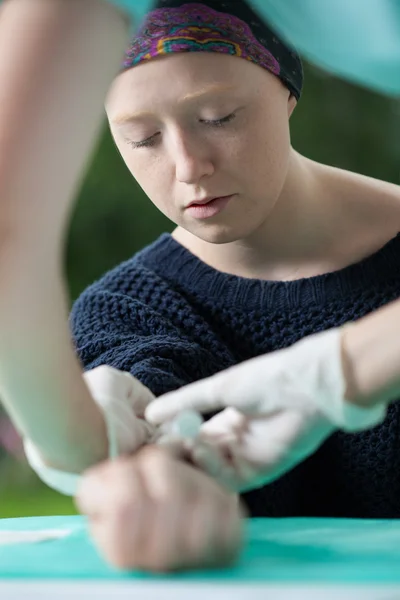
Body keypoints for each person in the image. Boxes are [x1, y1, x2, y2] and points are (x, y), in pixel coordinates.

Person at [1, 0, 400, 573]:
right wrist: (116, 456)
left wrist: (339, 373)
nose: (188, 167)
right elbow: (142, 392)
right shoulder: (128, 311)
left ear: (288, 93)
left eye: (218, 117)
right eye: (142, 138)